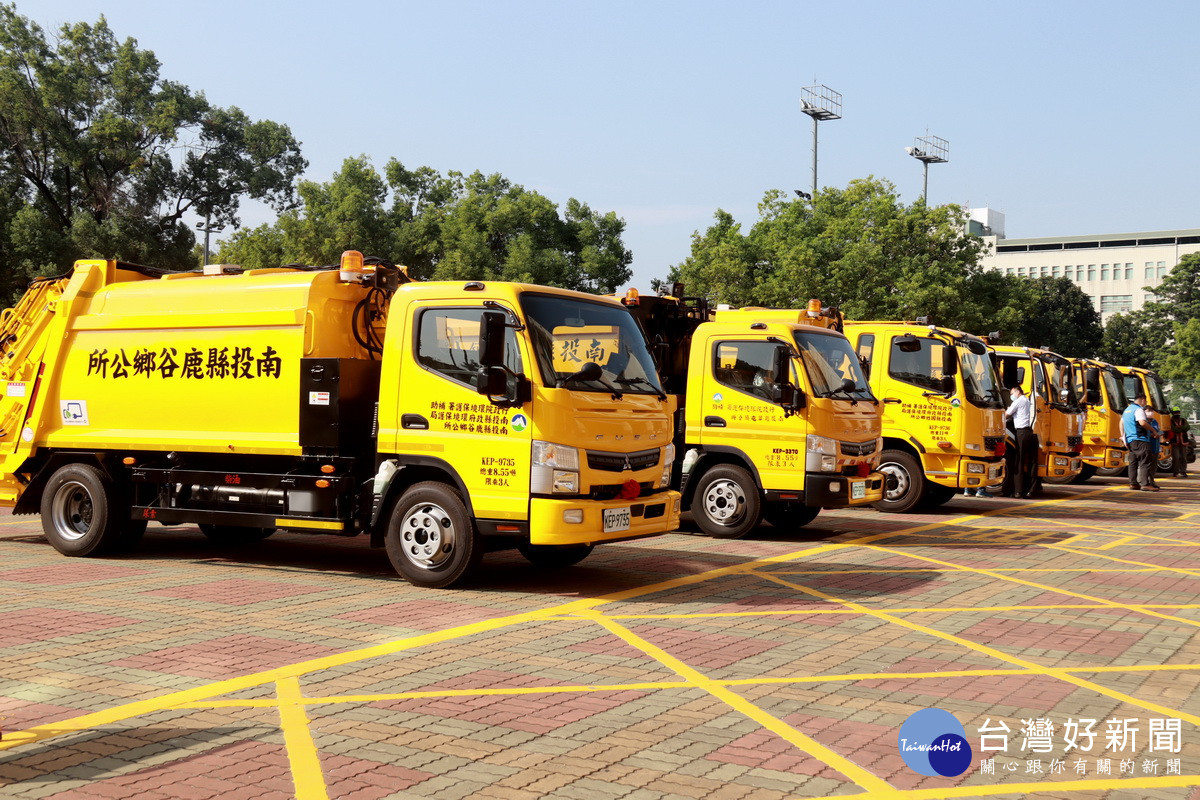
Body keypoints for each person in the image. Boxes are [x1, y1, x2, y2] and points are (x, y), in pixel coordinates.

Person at [1122, 392, 1162, 492]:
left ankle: (1133, 483)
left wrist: (1123, 437)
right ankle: (1145, 484)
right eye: (1146, 401)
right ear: (1143, 400)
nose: (1146, 403)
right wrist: (1153, 430)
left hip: (1130, 440)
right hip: (1141, 439)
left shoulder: (1127, 410)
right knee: (1145, 461)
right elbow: (1142, 423)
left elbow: (1121, 423)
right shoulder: (1138, 409)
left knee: (1133, 463)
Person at [1004, 384, 1037, 498]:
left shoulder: (1018, 401)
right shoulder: (1026, 400)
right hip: (1028, 432)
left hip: (1021, 433)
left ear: (1017, 392)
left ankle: (1018, 491)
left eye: (1012, 393)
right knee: (1029, 462)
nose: (1011, 396)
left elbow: (1006, 415)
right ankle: (1030, 489)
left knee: (1019, 462)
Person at [1167, 407, 1191, 478]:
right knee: (1176, 458)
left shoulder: (1183, 420)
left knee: (1183, 457)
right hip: (1175, 442)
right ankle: (1175, 472)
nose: (1177, 414)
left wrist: (1179, 429)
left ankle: (1183, 471)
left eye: (1178, 412)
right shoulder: (1170, 421)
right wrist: (1181, 429)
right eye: (1176, 412)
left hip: (1183, 442)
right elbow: (1173, 429)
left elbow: (1187, 427)